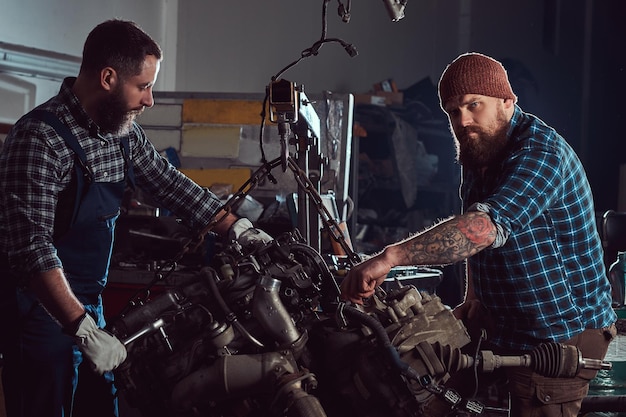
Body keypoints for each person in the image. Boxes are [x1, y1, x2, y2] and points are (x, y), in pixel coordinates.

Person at [0, 19, 271, 417]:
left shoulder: (121, 133)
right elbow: (31, 249)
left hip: (89, 305)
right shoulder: (40, 139)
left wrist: (239, 230)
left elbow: (169, 184)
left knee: (102, 406)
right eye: (143, 86)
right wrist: (82, 329)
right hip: (40, 314)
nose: (150, 101)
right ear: (108, 78)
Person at [340, 52, 617, 417]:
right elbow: (475, 226)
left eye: (474, 105)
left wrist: (390, 257)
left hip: (560, 334)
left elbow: (482, 230)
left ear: (507, 101)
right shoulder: (479, 150)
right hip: (508, 326)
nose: (463, 120)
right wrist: (475, 297)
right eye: (453, 111)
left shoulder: (541, 154)